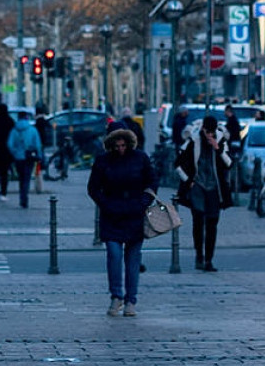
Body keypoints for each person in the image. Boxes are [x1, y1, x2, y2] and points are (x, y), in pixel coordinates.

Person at [87, 126, 157, 317]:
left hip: (135, 213)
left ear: (129, 143)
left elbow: (152, 182)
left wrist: (143, 202)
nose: (120, 149)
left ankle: (130, 300)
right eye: (116, 145)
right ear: (111, 145)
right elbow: (93, 188)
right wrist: (105, 204)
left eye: (123, 145)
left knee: (133, 260)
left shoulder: (140, 158)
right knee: (114, 255)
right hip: (112, 214)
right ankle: (116, 296)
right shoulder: (103, 161)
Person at [174, 116, 228, 271]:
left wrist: (218, 148)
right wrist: (188, 181)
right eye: (206, 132)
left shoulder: (221, 141)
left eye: (211, 132)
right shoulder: (193, 141)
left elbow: (229, 164)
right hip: (197, 187)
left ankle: (209, 259)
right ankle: (199, 254)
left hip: (214, 189)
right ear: (202, 129)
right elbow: (177, 164)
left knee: (212, 223)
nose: (209, 135)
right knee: (198, 222)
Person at [6, 111, 43, 207]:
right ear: (27, 118)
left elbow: (10, 144)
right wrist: (39, 155)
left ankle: (22, 196)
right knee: (27, 178)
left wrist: (15, 152)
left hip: (18, 158)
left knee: (21, 178)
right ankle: (24, 197)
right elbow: (38, 144)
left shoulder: (14, 130)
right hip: (29, 157)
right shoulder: (32, 129)